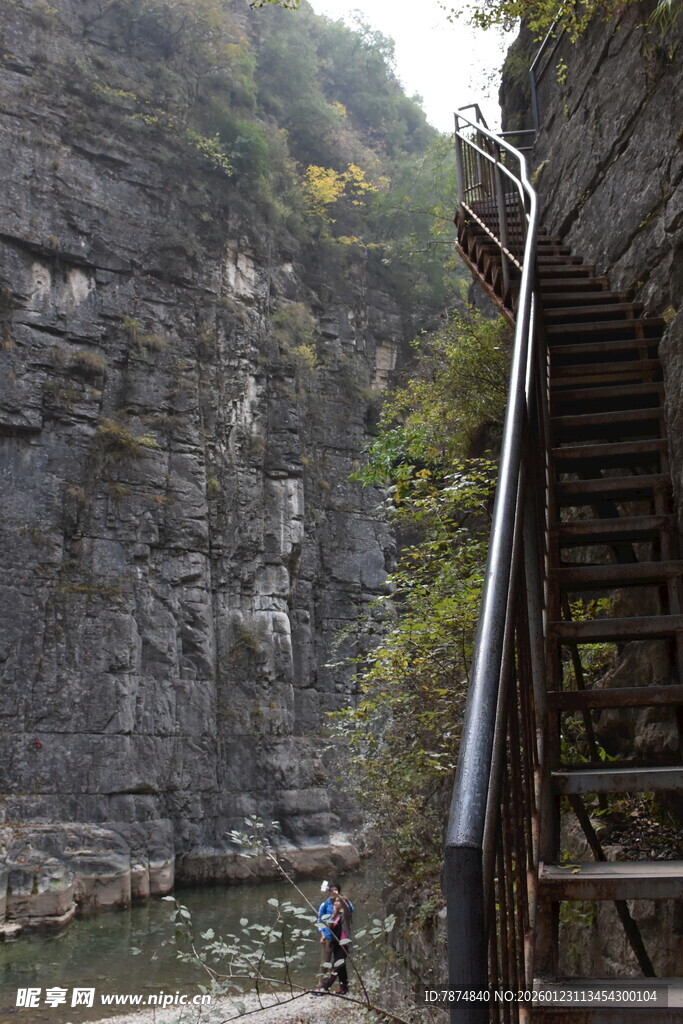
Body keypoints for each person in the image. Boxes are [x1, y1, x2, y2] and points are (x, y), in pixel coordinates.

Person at [312, 896, 352, 995]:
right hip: (336, 944)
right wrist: (333, 915)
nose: (335, 903)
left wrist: (342, 899)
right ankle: (344, 988)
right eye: (335, 901)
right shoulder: (336, 915)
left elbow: (347, 908)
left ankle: (324, 987)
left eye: (338, 902)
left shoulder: (346, 915)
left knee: (336, 966)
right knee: (341, 967)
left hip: (344, 943)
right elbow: (329, 927)